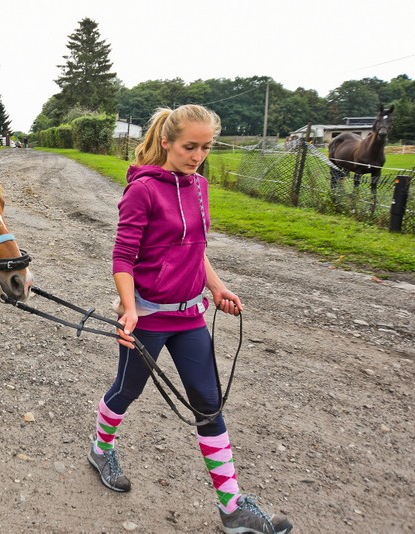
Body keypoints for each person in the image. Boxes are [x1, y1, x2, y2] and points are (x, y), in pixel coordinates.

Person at [87, 104, 293, 534]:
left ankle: (232, 507)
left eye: (205, 147)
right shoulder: (142, 191)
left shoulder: (199, 186)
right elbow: (123, 257)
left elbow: (195, 247)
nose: (198, 155)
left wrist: (215, 286)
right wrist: (128, 308)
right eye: (189, 147)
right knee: (126, 391)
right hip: (149, 316)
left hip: (190, 317)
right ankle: (100, 447)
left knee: (209, 404)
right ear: (166, 142)